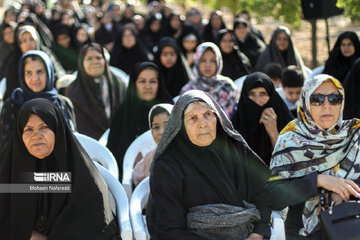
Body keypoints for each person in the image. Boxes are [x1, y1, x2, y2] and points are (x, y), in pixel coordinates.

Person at [147, 90, 271, 240]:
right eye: (193, 118)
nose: (203, 124)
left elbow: (265, 193)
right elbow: (170, 230)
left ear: (217, 117)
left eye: (208, 115)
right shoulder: (168, 166)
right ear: (181, 125)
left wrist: (257, 233)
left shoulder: (235, 150)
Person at [0, 98, 119, 239]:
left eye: (44, 127)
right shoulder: (11, 174)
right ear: (20, 135)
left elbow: (92, 225)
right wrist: (27, 234)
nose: (36, 136)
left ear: (57, 129)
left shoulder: (81, 177)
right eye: (28, 129)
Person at [266, 74, 360, 239]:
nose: (326, 105)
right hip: (305, 232)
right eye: (317, 99)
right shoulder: (290, 139)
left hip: (352, 223)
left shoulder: (354, 135)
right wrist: (318, 181)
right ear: (306, 103)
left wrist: (338, 193)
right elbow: (273, 195)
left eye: (334, 98)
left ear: (342, 102)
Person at [0, 50, 75, 169]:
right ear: (22, 76)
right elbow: (6, 148)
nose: (34, 78)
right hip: (21, 171)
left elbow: (72, 143)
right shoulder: (13, 105)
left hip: (59, 170)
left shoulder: (63, 103)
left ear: (49, 73)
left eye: (40, 72)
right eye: (28, 73)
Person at [107, 62, 172, 179]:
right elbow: (112, 150)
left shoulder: (169, 110)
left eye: (153, 81)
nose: (148, 86)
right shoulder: (124, 111)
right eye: (142, 81)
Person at [66, 43, 126, 140]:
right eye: (89, 59)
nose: (95, 62)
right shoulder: (73, 91)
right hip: (90, 147)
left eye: (98, 58)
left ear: (104, 60)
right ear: (82, 63)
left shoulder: (118, 84)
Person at [231, 72, 293, 166]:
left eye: (263, 94)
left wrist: (273, 132)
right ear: (245, 97)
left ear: (271, 95)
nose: (257, 100)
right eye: (252, 94)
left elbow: (291, 160)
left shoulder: (286, 122)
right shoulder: (235, 125)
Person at [0, 25, 65, 100]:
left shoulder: (46, 55)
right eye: (24, 41)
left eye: (31, 39)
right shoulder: (13, 62)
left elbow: (58, 74)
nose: (28, 43)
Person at [181, 42, 239, 117]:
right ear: (197, 61)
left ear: (218, 62)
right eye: (203, 60)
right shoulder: (188, 90)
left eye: (212, 61)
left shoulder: (228, 86)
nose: (208, 65)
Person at [132, 103, 173, 187]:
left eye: (167, 125)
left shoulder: (186, 155)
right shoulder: (149, 157)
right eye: (156, 127)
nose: (161, 132)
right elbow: (137, 179)